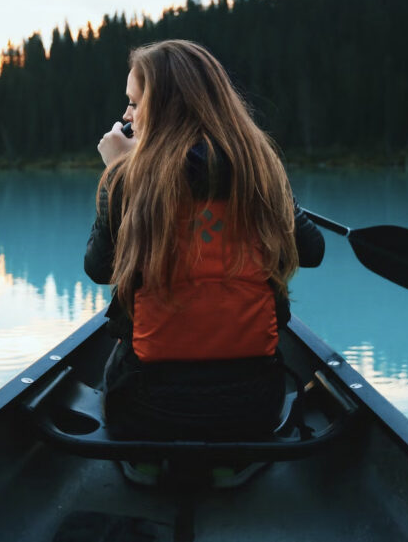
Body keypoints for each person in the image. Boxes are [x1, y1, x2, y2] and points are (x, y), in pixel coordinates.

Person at [84, 40, 324, 443]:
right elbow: (311, 251)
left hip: (146, 408)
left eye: (134, 103)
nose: (126, 116)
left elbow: (99, 269)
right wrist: (278, 192)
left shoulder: (129, 178)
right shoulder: (259, 167)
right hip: (253, 407)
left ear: (164, 107)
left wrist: (120, 173)